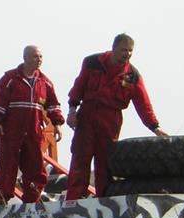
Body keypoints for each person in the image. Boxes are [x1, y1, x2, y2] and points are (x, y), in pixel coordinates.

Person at [65, 33, 168, 200]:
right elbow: (79, 86)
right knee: (80, 158)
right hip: (88, 114)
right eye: (123, 50)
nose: (127, 54)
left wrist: (155, 127)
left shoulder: (132, 75)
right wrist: (72, 111)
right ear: (114, 48)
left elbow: (143, 104)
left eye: (130, 51)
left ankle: (104, 201)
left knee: (105, 163)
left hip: (110, 119)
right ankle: (74, 201)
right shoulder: (92, 62)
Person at [0, 45, 65, 204]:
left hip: (34, 130)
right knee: (7, 164)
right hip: (11, 130)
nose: (39, 60)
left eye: (41, 57)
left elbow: (53, 105)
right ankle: (2, 197)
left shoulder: (45, 83)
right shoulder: (10, 79)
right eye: (35, 56)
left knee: (35, 165)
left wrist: (57, 123)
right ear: (25, 58)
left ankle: (32, 198)